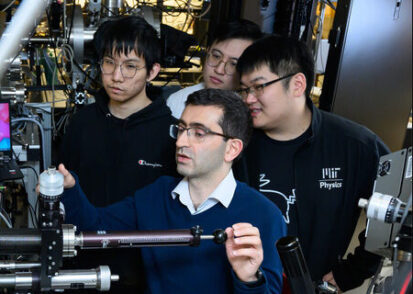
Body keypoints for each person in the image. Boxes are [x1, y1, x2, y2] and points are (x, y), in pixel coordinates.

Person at [58, 88, 286, 294]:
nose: (180, 142)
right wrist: (69, 190)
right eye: (181, 129)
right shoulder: (156, 196)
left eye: (198, 133)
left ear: (232, 149)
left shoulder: (264, 216)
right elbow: (95, 230)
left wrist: (249, 280)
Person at [234, 35, 390, 292]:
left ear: (297, 84)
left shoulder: (354, 144)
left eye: (259, 87)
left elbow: (394, 209)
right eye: (244, 89)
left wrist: (355, 270)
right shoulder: (236, 143)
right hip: (247, 285)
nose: (248, 98)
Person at [59, 16, 177, 292]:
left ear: (153, 71)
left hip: (143, 272)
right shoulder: (82, 123)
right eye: (109, 62)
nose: (116, 76)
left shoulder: (171, 133)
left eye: (131, 66)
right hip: (81, 264)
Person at [166, 19, 262, 119]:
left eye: (233, 64)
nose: (219, 70)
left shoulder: (252, 112)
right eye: (216, 56)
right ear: (207, 51)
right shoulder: (177, 101)